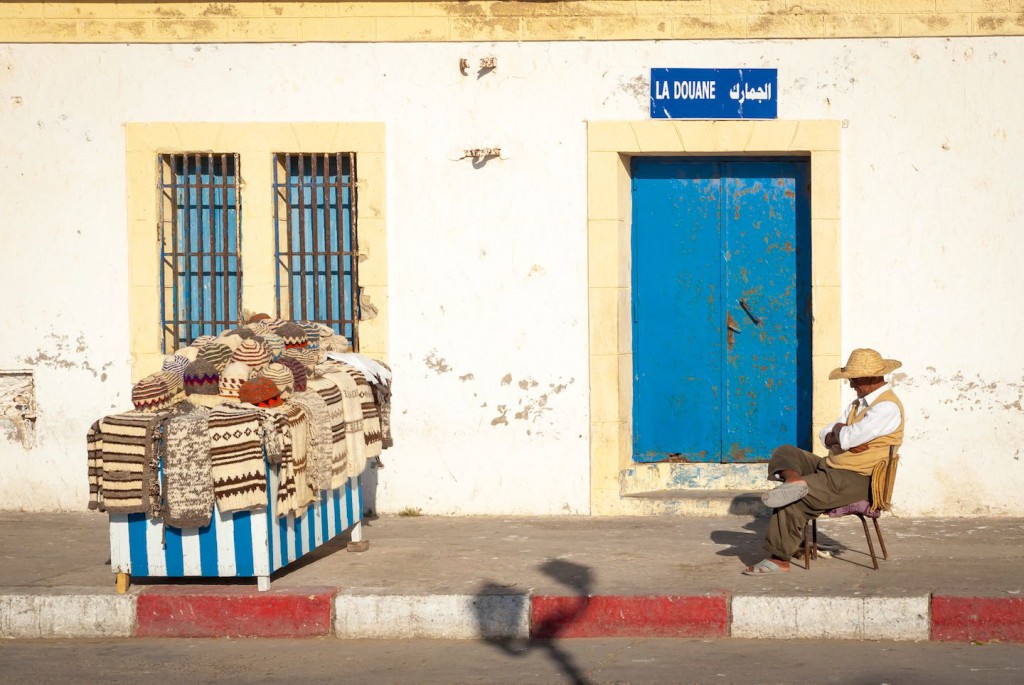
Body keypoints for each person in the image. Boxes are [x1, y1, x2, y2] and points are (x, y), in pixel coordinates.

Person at [742, 348, 905, 575]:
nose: (851, 385)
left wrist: (841, 434)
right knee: (786, 452)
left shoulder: (886, 407)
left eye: (854, 380)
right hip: (833, 466)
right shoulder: (858, 404)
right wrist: (840, 433)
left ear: (871, 378)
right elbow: (826, 434)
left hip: (857, 478)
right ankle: (795, 480)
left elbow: (847, 438)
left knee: (793, 500)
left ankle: (779, 559)